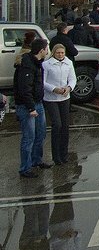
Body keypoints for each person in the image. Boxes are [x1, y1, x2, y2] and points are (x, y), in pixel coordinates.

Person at [14, 38, 50, 178]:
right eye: (47, 49)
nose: (48, 51)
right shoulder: (27, 65)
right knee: (28, 137)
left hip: (38, 103)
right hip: (28, 106)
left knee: (40, 134)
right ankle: (25, 168)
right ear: (41, 50)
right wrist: (31, 108)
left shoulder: (37, 63)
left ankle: (37, 160)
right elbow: (24, 89)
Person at [42, 43, 76, 165]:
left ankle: (64, 154)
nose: (60, 55)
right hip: (51, 98)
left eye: (62, 53)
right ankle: (56, 156)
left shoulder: (68, 63)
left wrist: (69, 88)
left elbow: (73, 78)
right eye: (58, 53)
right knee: (57, 124)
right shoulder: (46, 64)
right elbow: (43, 82)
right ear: (54, 53)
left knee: (65, 126)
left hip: (64, 97)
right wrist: (54, 89)